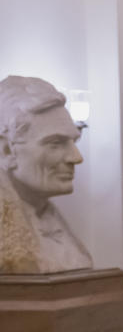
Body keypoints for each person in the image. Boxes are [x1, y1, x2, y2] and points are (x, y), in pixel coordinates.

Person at [0, 75, 92, 273]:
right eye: (56, 144)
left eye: (73, 142)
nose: (76, 157)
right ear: (6, 150)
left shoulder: (48, 217)